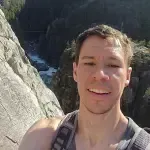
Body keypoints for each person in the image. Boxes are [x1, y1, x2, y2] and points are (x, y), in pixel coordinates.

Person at [19, 25, 150, 150]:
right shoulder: (43, 138)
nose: (100, 75)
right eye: (89, 63)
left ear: (127, 76)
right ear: (75, 71)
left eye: (113, 65)